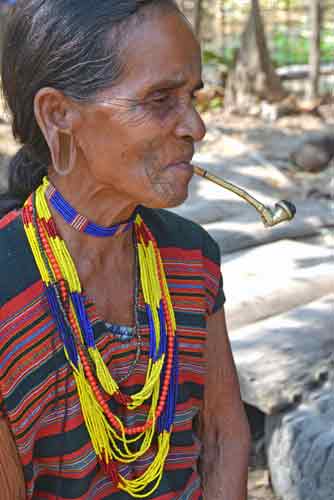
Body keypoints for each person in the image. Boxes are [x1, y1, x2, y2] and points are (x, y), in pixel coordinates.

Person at [0, 1, 251, 499]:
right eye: (160, 99)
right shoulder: (8, 290)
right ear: (58, 114)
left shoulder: (190, 257)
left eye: (192, 97)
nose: (196, 127)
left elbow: (223, 436)